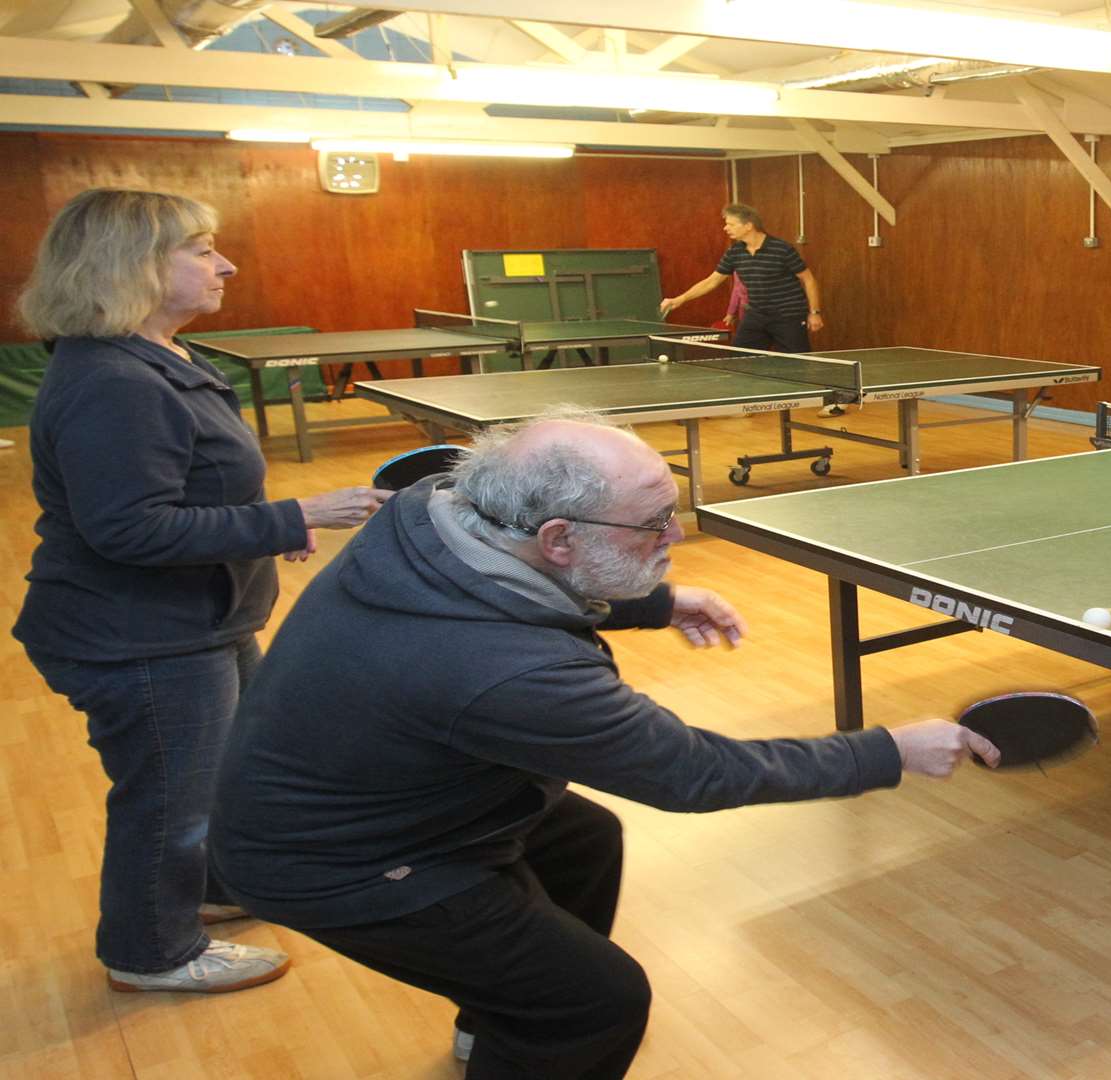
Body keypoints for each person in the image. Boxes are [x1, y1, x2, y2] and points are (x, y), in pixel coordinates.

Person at [209, 414, 1000, 1079]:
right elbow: (694, 773)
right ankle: (536, 1023)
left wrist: (651, 603)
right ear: (556, 535)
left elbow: (511, 586)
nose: (676, 533)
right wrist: (888, 751)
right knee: (597, 1001)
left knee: (585, 840)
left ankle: (499, 1023)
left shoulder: (433, 512)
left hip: (366, 793)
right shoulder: (500, 669)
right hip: (333, 860)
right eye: (653, 522)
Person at [10, 189, 391, 993]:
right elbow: (131, 529)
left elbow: (182, 491)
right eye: (202, 249)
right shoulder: (114, 380)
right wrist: (292, 515)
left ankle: (212, 892)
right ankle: (151, 952)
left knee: (227, 772)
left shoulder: (161, 357)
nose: (227, 264)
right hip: (138, 636)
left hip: (197, 620)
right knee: (170, 802)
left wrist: (265, 522)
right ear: (135, 267)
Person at [659, 204, 844, 416]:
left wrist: (815, 312)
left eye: (730, 224)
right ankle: (745, 405)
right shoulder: (735, 252)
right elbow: (712, 281)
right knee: (741, 358)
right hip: (756, 314)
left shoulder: (781, 249)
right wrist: (680, 299)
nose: (726, 228)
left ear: (748, 226)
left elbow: (808, 279)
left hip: (788, 313)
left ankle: (838, 398)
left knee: (799, 362)